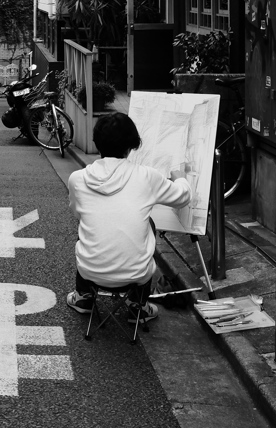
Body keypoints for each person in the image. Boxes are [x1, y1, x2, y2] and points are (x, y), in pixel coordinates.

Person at [66, 110, 191, 320]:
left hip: (90, 271)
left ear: (97, 143)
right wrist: (180, 178)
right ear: (132, 144)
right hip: (136, 274)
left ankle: (84, 297)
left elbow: (77, 211)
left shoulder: (77, 179)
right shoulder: (147, 176)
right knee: (148, 225)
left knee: (87, 226)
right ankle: (137, 306)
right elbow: (182, 197)